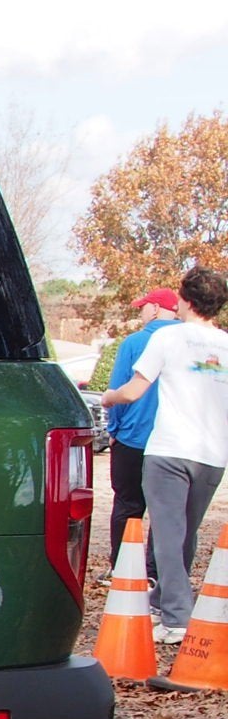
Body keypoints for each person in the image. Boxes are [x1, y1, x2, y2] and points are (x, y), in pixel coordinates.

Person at [106, 266, 228, 643]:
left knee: (168, 534)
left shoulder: (169, 338)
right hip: (212, 453)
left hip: (170, 450)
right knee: (184, 532)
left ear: (184, 300)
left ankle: (177, 617)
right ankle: (162, 602)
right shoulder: (225, 343)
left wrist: (106, 398)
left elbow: (132, 391)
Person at [102, 286, 179, 566]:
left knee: (127, 505)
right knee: (166, 511)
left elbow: (120, 388)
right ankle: (154, 572)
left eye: (143, 307)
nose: (141, 312)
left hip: (134, 438)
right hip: (173, 442)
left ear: (156, 308)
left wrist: (113, 431)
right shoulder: (186, 343)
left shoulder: (134, 342)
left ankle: (123, 567)